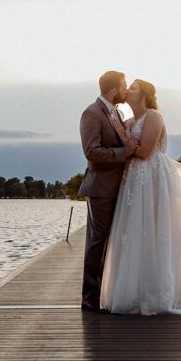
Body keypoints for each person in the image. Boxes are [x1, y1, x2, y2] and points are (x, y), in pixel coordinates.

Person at [100, 78, 181, 315]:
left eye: (133, 88)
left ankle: (157, 293)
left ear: (144, 95)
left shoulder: (153, 116)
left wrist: (124, 139)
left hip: (152, 178)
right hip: (133, 180)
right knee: (133, 233)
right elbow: (129, 150)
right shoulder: (130, 120)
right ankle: (133, 292)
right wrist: (124, 139)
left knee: (155, 230)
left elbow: (144, 152)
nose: (127, 90)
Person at [78, 71, 139, 310]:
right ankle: (90, 299)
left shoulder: (114, 113)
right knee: (97, 243)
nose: (126, 91)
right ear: (113, 90)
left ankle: (105, 294)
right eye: (124, 86)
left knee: (110, 242)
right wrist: (125, 153)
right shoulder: (92, 113)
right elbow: (92, 152)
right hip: (101, 189)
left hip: (118, 188)